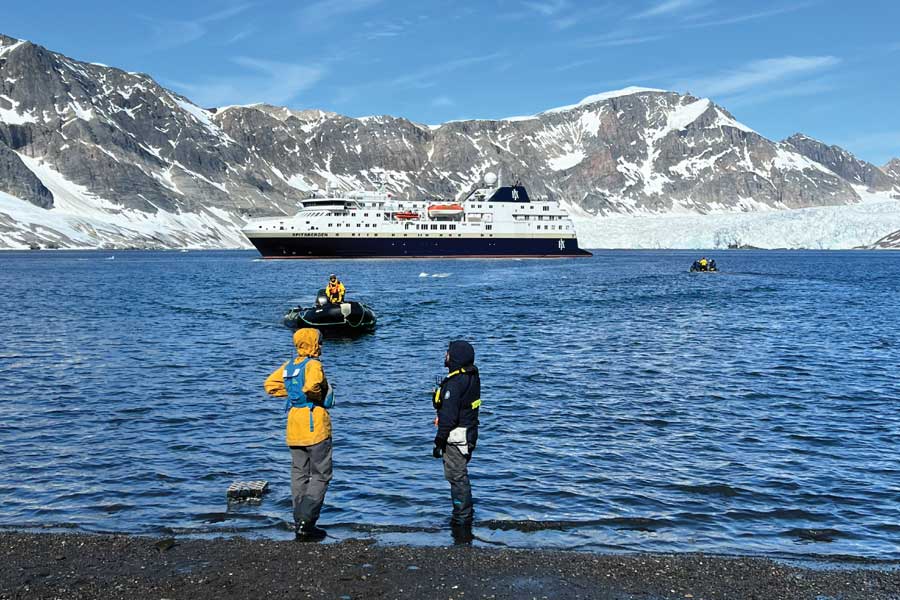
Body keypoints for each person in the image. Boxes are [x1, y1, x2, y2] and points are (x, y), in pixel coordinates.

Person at [264, 328, 334, 540]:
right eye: (319, 343)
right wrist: (310, 394)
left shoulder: (290, 365)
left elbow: (270, 385)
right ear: (313, 344)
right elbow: (313, 384)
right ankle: (307, 520)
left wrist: (293, 393)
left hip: (294, 426)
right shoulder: (313, 365)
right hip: (315, 425)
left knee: (299, 474)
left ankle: (299, 522)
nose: (321, 346)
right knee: (321, 474)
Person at [432, 340, 481, 530]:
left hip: (456, 437)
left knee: (457, 477)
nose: (446, 355)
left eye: (448, 352)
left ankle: (462, 519)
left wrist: (438, 441)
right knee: (460, 476)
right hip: (469, 434)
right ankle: (464, 515)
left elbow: (449, 417)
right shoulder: (472, 377)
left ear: (456, 357)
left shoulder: (454, 383)